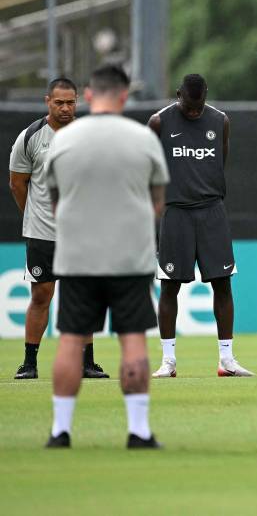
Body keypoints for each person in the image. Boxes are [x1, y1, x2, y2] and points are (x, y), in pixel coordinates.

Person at [44, 64, 169, 449]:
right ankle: (138, 431)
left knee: (70, 341)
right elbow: (158, 203)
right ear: (124, 96)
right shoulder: (143, 139)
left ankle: (60, 431)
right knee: (133, 341)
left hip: (78, 257)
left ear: (88, 95)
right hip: (129, 257)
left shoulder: (63, 140)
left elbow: (54, 198)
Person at [149, 74, 253, 378]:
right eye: (189, 106)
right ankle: (168, 361)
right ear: (179, 94)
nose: (194, 112)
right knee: (170, 286)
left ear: (206, 96)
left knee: (223, 284)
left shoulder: (220, 121)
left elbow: (220, 161)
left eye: (199, 107)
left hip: (211, 212)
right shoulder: (159, 122)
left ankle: (227, 360)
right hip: (176, 213)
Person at [9, 78, 108, 380]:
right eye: (59, 102)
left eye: (71, 102)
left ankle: (87, 362)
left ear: (78, 101)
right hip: (43, 233)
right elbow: (17, 183)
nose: (65, 108)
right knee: (41, 294)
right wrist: (34, 215)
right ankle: (29, 363)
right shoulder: (30, 137)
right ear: (47, 101)